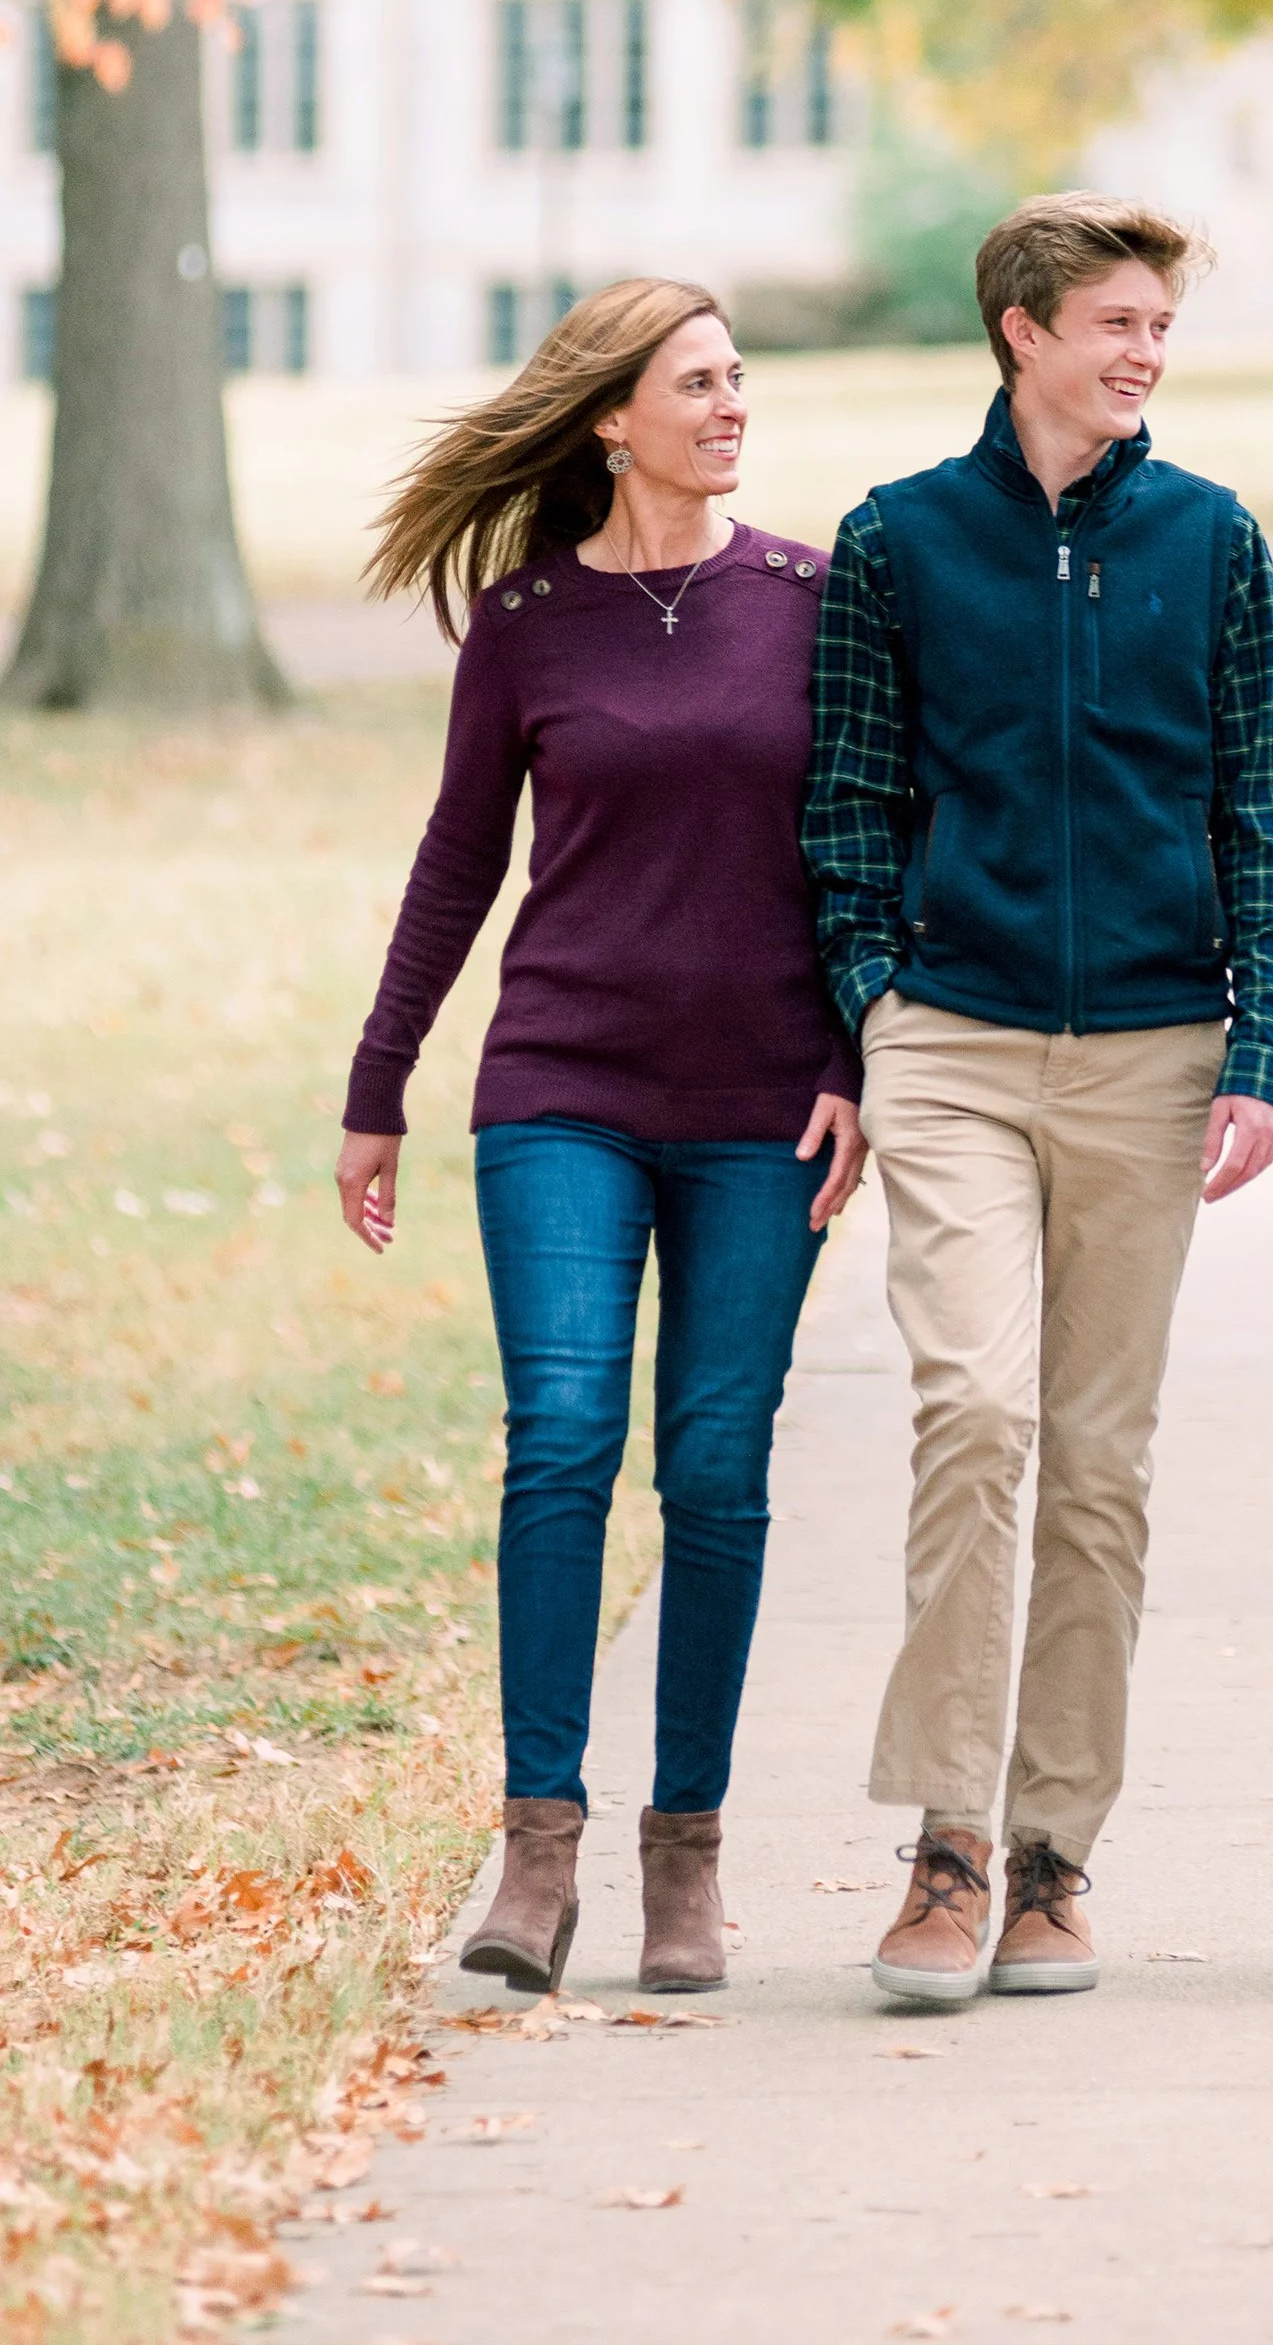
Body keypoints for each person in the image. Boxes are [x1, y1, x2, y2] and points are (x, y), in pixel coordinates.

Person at [805, 194, 1273, 2008]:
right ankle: (945, 1844)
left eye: (1159, 327)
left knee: (1099, 1469)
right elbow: (850, 810)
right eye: (1114, 322)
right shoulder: (898, 544)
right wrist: (876, 1006)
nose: (1145, 353)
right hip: (950, 1041)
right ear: (1020, 331)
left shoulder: (1211, 539)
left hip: (1155, 1058)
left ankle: (1053, 1857)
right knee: (975, 1413)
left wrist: (1261, 1058)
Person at [340, 282, 864, 2002]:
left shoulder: (811, 600)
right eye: (696, 384)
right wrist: (379, 1083)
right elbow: (456, 863)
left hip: (764, 1108)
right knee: (560, 1435)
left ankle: (687, 1855)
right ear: (609, 421)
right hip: (561, 1085)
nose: (729, 407)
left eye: (738, 379)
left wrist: (865, 1057)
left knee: (713, 1471)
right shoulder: (527, 621)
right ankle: (538, 1847)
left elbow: (873, 840)